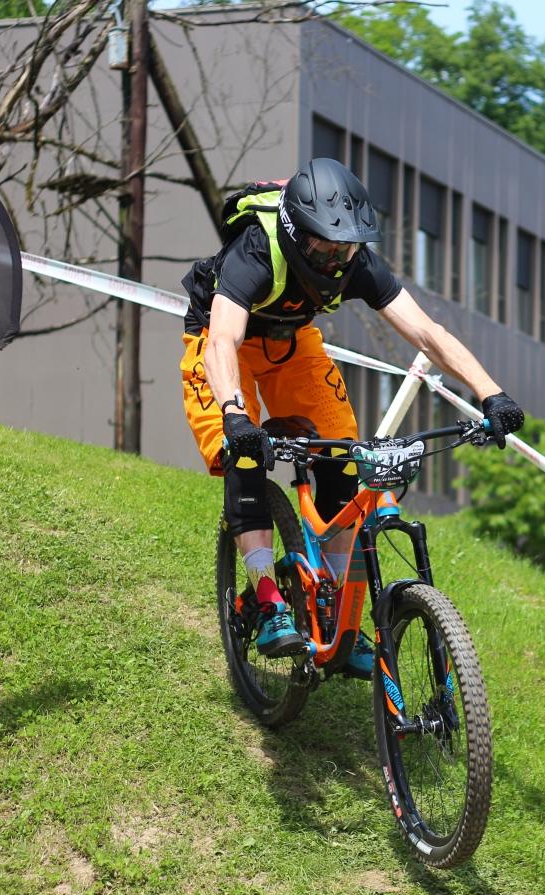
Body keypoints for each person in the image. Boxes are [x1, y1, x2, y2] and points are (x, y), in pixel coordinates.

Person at [178, 157, 525, 674]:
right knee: (243, 458)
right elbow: (224, 338)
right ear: (298, 233)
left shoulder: (355, 261)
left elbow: (427, 331)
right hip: (219, 344)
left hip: (291, 344)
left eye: (348, 248)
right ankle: (268, 599)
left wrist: (490, 393)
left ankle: (334, 617)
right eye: (327, 246)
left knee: (343, 458)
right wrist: (235, 413)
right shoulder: (257, 249)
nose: (339, 259)